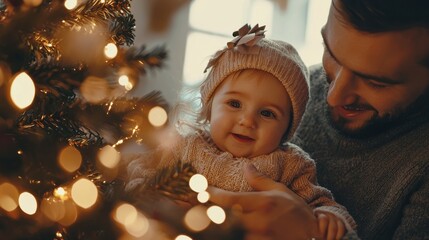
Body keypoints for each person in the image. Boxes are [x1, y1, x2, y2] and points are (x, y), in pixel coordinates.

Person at [207, 0, 429, 239]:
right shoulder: (289, 93)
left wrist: (308, 232)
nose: (332, 97)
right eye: (332, 54)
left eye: (376, 82)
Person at [125, 24, 356, 239]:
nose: (247, 121)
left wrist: (329, 217)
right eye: (234, 104)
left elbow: (321, 202)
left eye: (267, 113)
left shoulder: (290, 165)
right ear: (209, 105)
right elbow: (140, 171)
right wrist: (154, 197)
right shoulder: (186, 146)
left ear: (287, 128)